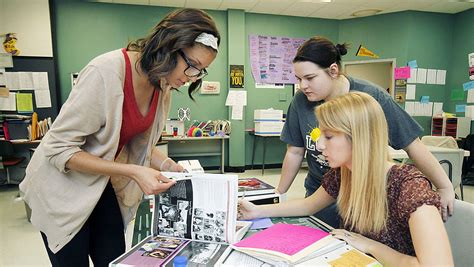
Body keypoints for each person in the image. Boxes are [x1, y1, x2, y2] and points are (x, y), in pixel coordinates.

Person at [19, 8, 220, 267]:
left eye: (201, 71)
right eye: (192, 66)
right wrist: (134, 171)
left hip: (101, 185)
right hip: (62, 189)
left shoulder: (163, 84)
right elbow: (58, 148)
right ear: (169, 46)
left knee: (115, 259)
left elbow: (139, 144)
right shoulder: (106, 71)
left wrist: (167, 166)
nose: (192, 77)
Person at [239, 92, 454, 266]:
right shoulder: (344, 173)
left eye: (329, 137)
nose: (320, 145)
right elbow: (307, 205)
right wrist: (258, 210)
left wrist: (372, 247)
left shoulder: (410, 188)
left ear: (360, 138)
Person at [276, 36, 454, 226]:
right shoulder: (301, 100)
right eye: (299, 79)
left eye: (310, 78)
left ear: (333, 70)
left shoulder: (371, 98)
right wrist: (278, 194)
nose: (303, 86)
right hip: (320, 193)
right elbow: (295, 151)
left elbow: (411, 143)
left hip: (364, 197)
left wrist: (444, 186)